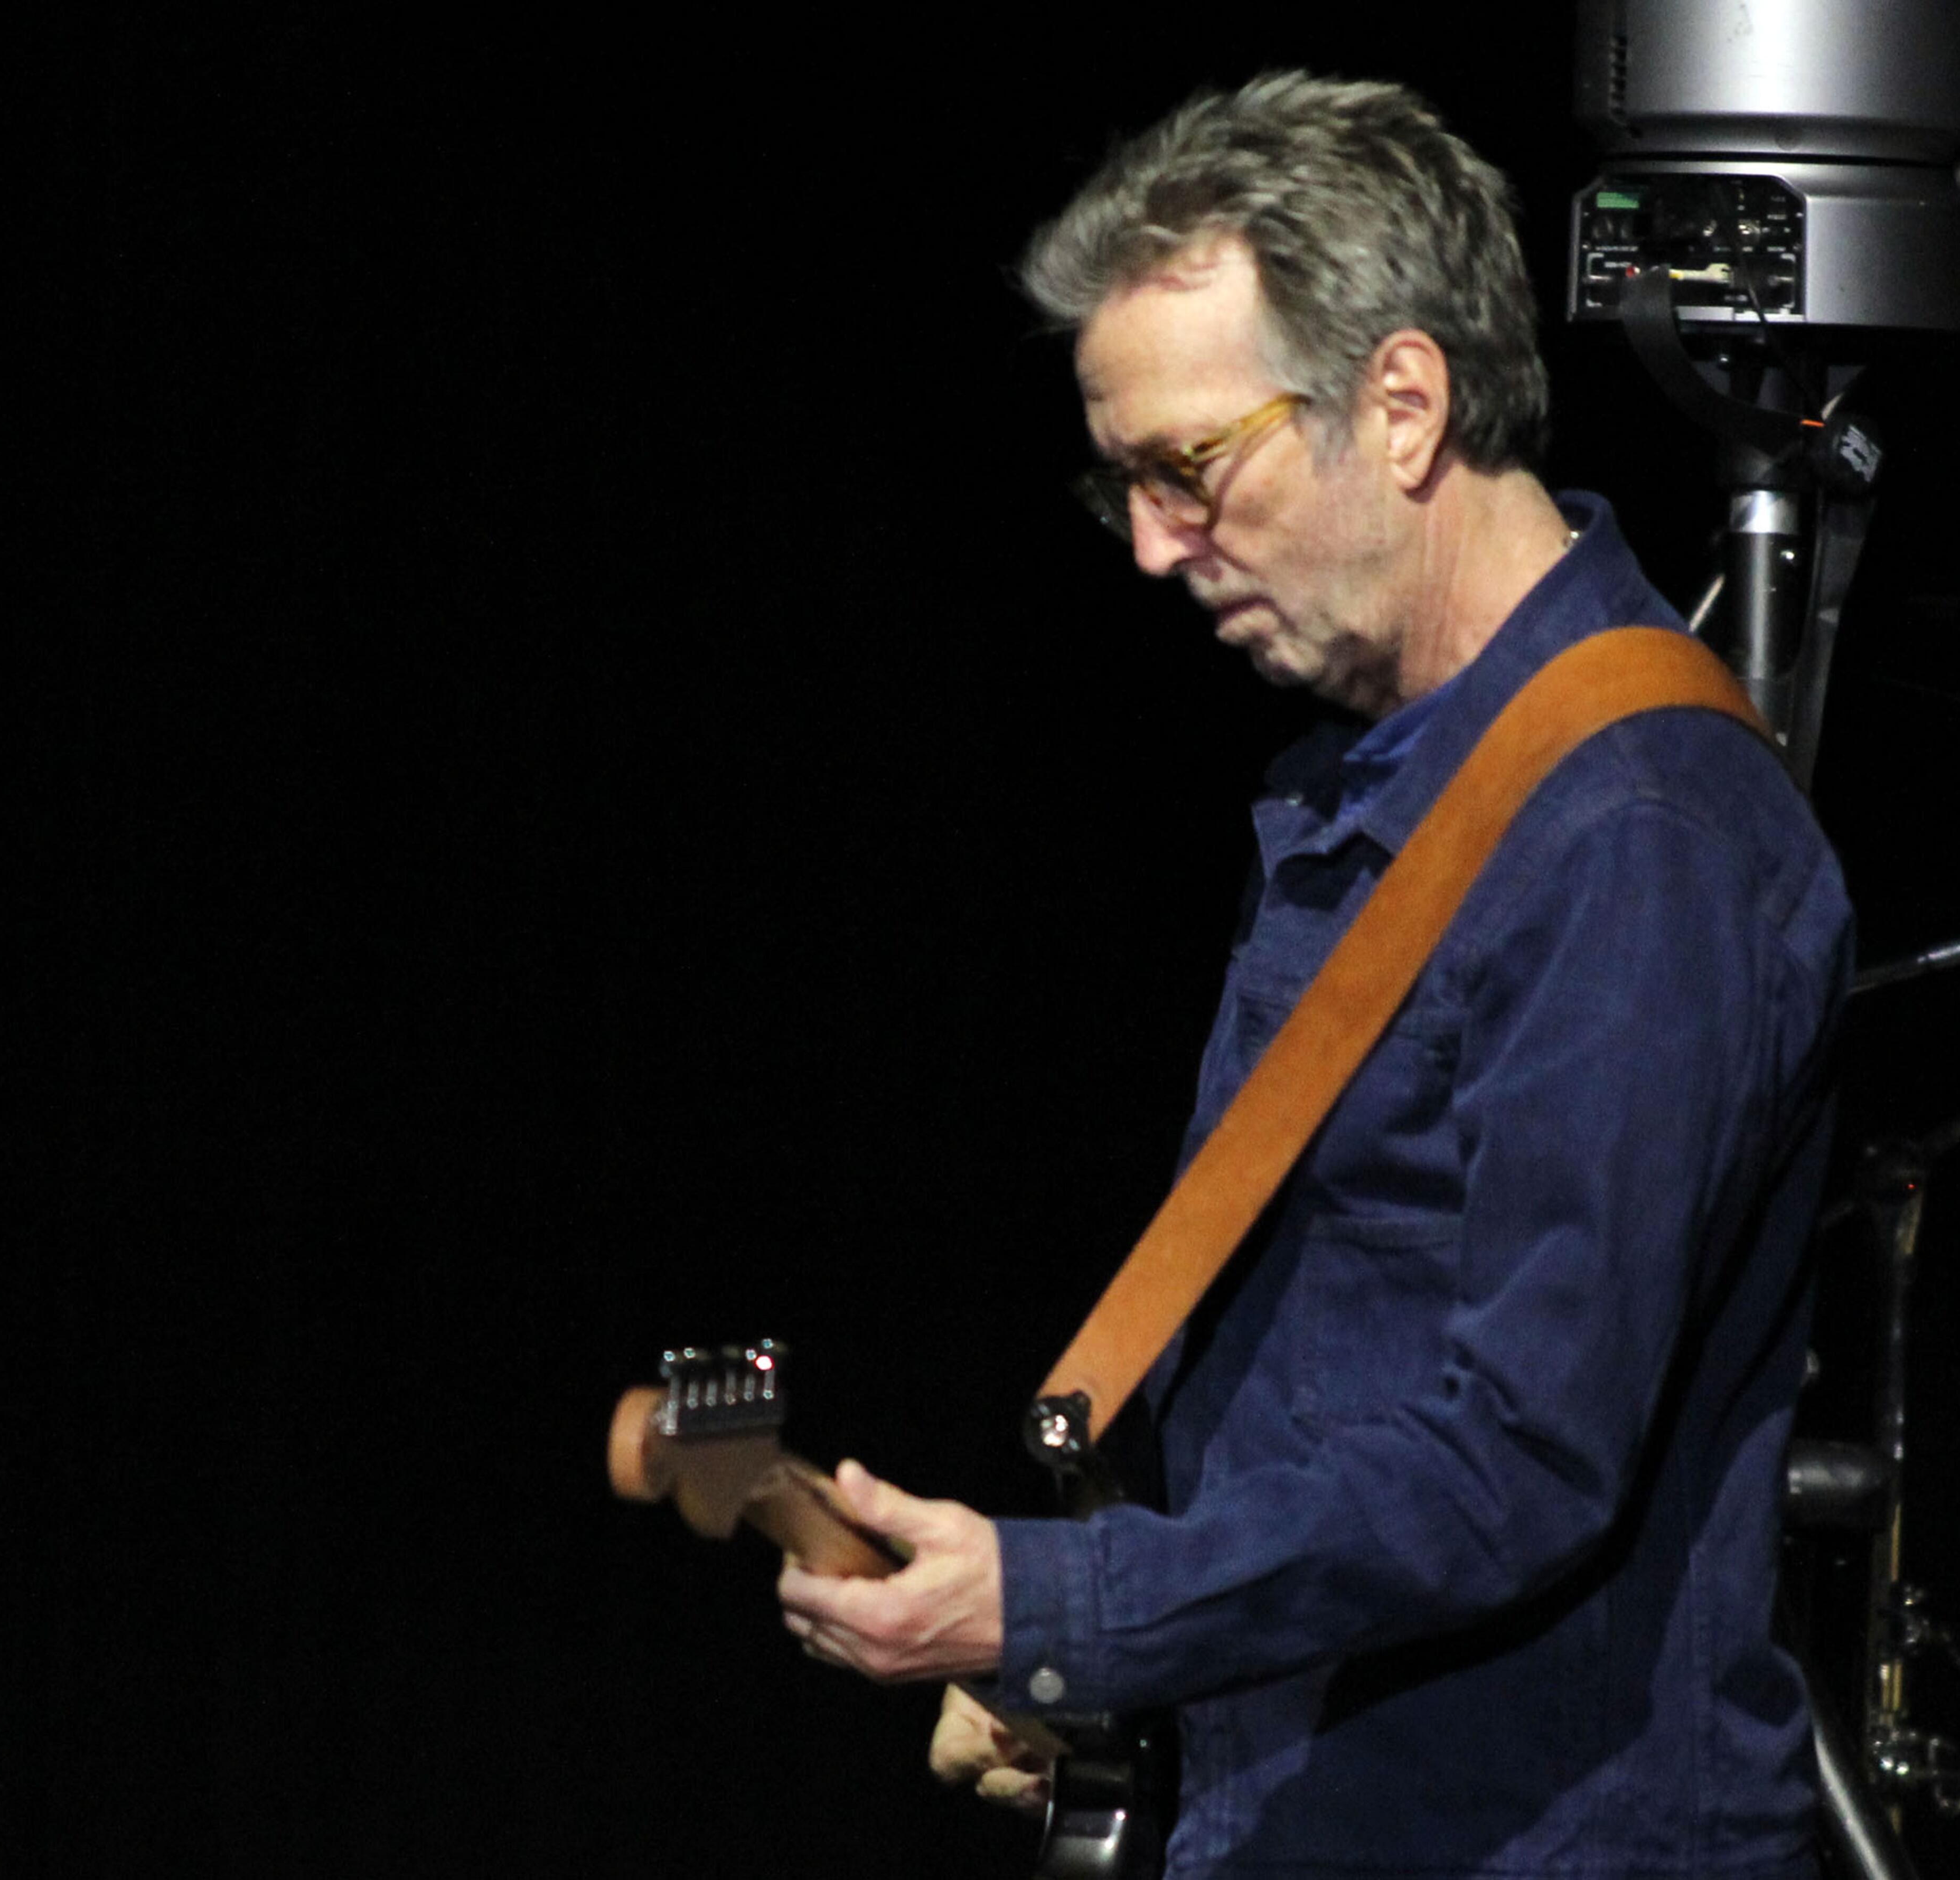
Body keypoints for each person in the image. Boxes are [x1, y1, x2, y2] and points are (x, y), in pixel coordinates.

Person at [777, 71, 1851, 1879]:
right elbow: (1332, 1400)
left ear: (1406, 401)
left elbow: (1516, 1458)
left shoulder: (1638, 831)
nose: (1149, 547)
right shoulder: (1378, 780)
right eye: (1118, 482)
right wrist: (1119, 1674)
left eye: (1189, 469)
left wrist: (1066, 1600)